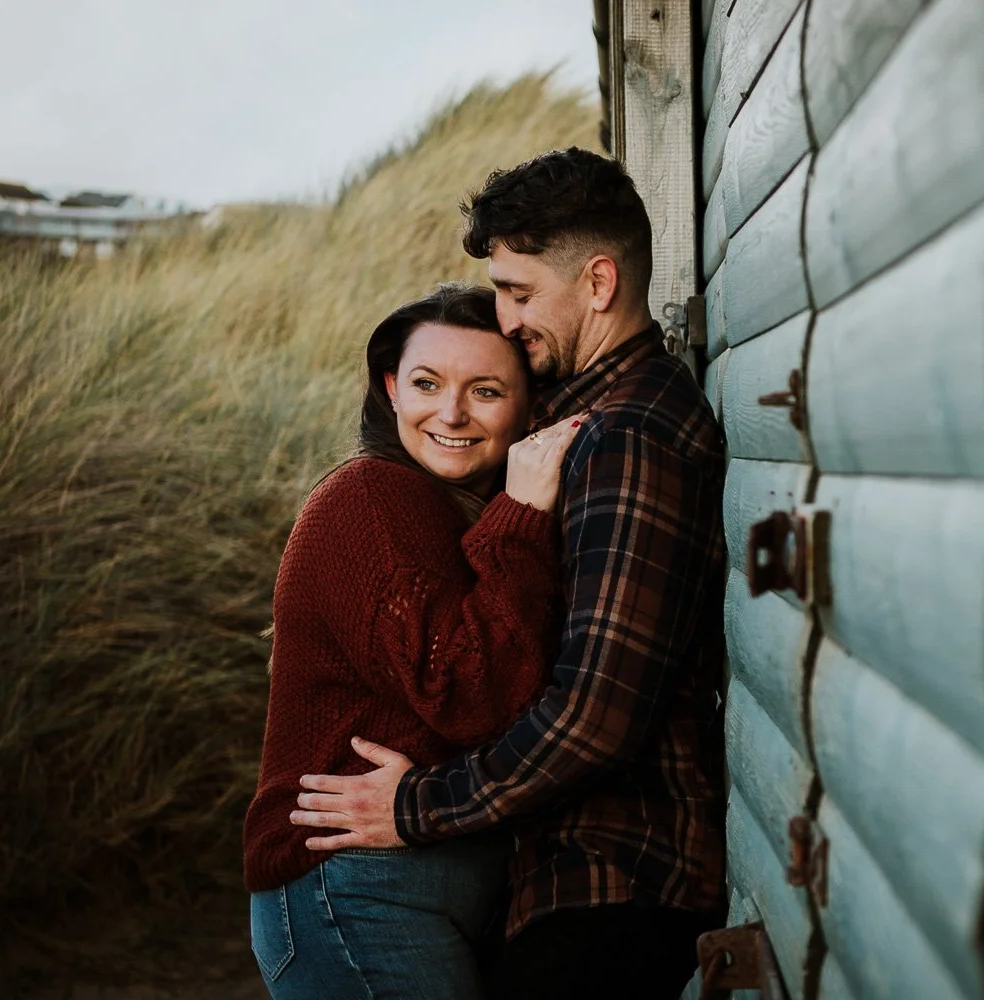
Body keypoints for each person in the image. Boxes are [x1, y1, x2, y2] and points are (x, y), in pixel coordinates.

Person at [290, 147, 729, 998]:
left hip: (609, 889)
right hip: (565, 881)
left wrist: (417, 807)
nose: (508, 317)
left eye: (521, 293)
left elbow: (596, 716)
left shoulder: (624, 437)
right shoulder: (578, 420)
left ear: (598, 283)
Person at [243, 283, 583, 999]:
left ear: (530, 406)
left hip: (403, 895)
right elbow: (468, 691)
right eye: (427, 383)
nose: (451, 413)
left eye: (486, 390)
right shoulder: (373, 498)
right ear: (392, 388)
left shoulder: (445, 509)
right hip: (355, 895)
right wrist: (522, 514)